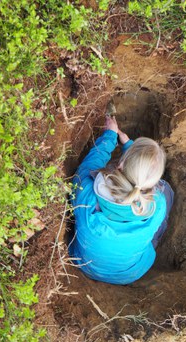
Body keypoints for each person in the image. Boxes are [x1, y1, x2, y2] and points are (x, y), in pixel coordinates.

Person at [69, 104, 174, 285]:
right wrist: (129, 148)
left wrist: (110, 137)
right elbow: (140, 181)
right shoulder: (158, 205)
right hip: (132, 272)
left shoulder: (87, 195)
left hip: (85, 265)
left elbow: (87, 168)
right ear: (151, 182)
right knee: (167, 190)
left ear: (121, 164)